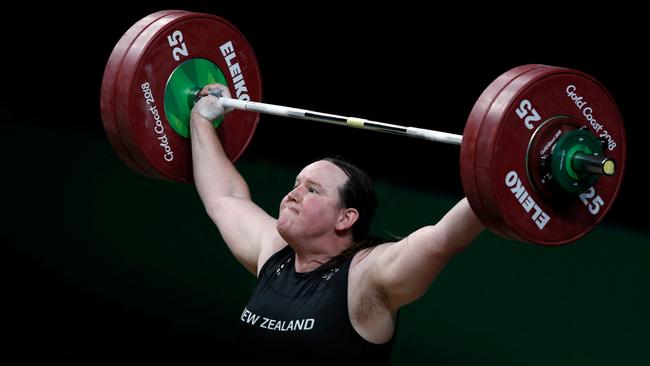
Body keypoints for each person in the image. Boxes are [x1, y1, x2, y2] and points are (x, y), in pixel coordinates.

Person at [190, 84, 485, 364]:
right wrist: (201, 118)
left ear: (346, 217)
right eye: (296, 184)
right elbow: (224, 196)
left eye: (312, 190)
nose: (292, 195)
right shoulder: (274, 252)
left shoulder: (366, 275)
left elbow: (442, 240)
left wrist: (496, 176)